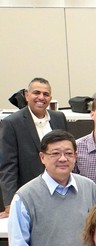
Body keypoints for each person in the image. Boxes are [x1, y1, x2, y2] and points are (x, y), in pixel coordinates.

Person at [0, 77, 68, 216]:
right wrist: (10, 203)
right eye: (36, 93)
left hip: (59, 192)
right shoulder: (12, 123)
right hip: (27, 195)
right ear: (26, 95)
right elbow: (8, 166)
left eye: (46, 94)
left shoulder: (59, 118)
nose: (41, 97)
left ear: (50, 98)